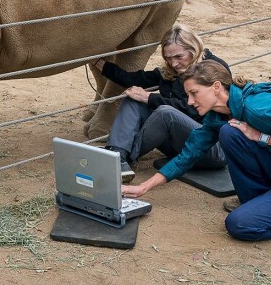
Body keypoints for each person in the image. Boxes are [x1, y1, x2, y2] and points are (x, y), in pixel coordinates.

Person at [123, 60, 271, 241]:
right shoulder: (218, 115)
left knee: (240, 225)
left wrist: (260, 137)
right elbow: (188, 155)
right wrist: (144, 187)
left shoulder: (258, 108)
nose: (190, 102)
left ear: (216, 87)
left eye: (194, 93)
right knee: (230, 133)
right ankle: (263, 201)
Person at [96, 23, 228, 183]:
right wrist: (98, 62)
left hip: (211, 148)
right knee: (133, 98)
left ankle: (124, 155)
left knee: (165, 112)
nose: (173, 63)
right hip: (181, 146)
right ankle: (116, 156)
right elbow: (133, 79)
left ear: (193, 50)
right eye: (168, 58)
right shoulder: (171, 71)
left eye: (179, 57)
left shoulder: (212, 69)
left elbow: (192, 109)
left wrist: (150, 98)